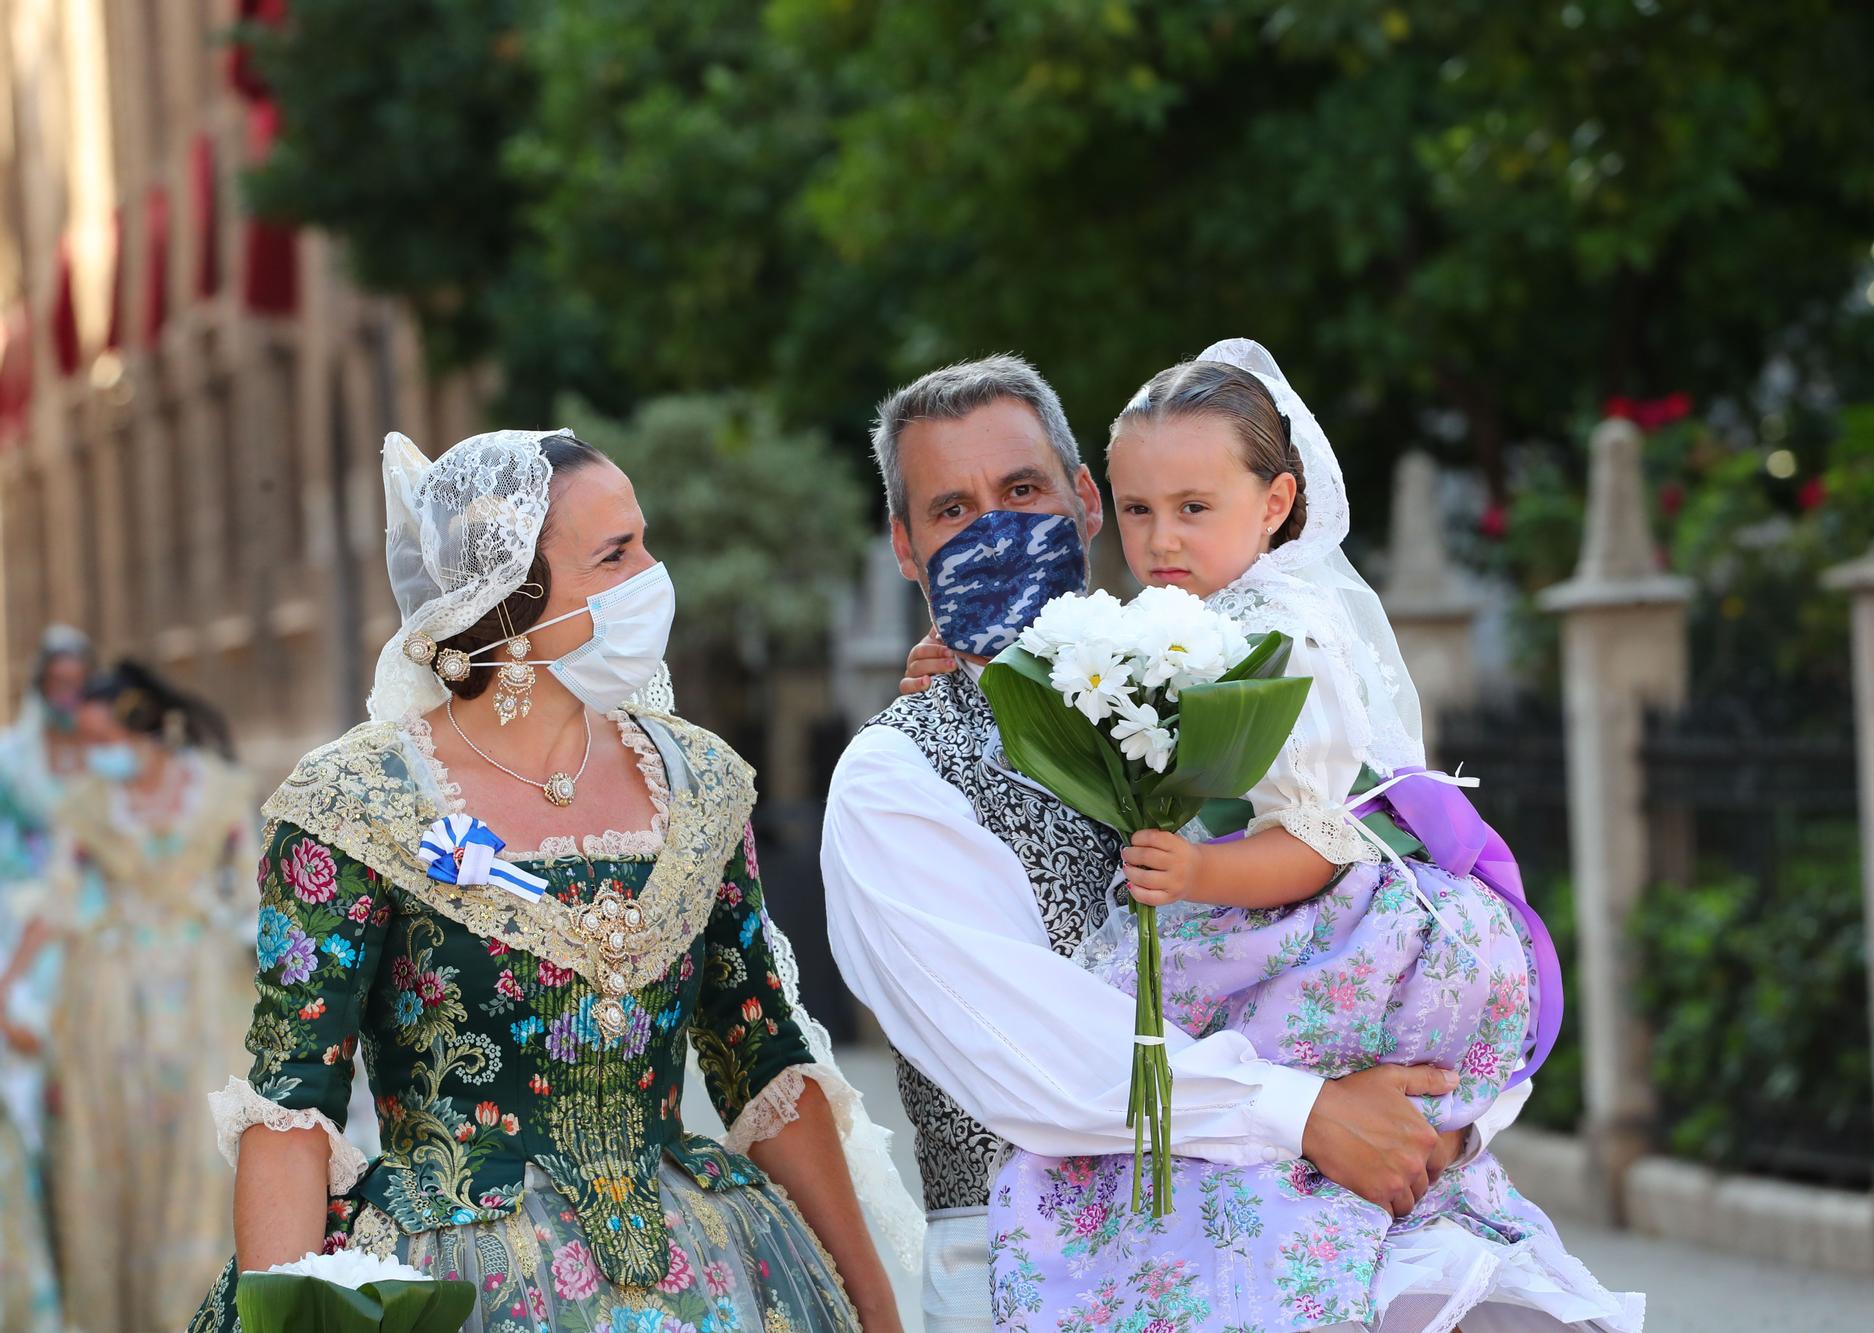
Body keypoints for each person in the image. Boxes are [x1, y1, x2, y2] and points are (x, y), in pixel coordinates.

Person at [823, 355, 1518, 1333]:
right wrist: (1308, 1114)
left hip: (1323, 1220)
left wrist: (1446, 1123)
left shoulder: (1202, 671)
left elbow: (1397, 907)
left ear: (1084, 503)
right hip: (1021, 1266)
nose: (994, 530)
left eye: (1022, 491)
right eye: (951, 510)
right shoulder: (895, 780)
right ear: (905, 545)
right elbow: (1030, 1057)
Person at [961, 342, 1644, 1331]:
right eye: (1139, 509)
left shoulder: (1287, 630)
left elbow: (1322, 839)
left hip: (1305, 910)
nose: (1160, 538)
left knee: (1237, 1108)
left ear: (1275, 502)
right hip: (1232, 902)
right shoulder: (1171, 615)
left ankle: (1277, 1249)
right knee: (1140, 1094)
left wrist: (1195, 866)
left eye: (1193, 508)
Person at [189, 428, 918, 1333]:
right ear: (512, 599)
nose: (653, 575)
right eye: (617, 555)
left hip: (711, 1270)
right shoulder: (358, 802)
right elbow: (292, 1105)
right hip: (458, 1277)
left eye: (644, 542)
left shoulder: (699, 782)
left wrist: (874, 1306)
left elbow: (762, 1059)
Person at [0, 657, 256, 1331]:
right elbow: (55, 902)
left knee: (202, 1160)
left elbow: (254, 897)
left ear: (144, 728)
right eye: (84, 741)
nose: (92, 754)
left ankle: (197, 1313)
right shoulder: (84, 807)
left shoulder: (224, 794)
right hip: (108, 1004)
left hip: (206, 997)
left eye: (101, 739)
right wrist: (7, 986)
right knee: (115, 1162)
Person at [0, 625, 90, 1332]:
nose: (67, 693)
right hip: (24, 929)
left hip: (93, 935)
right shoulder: (12, 760)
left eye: (77, 680)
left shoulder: (104, 757)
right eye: (56, 680)